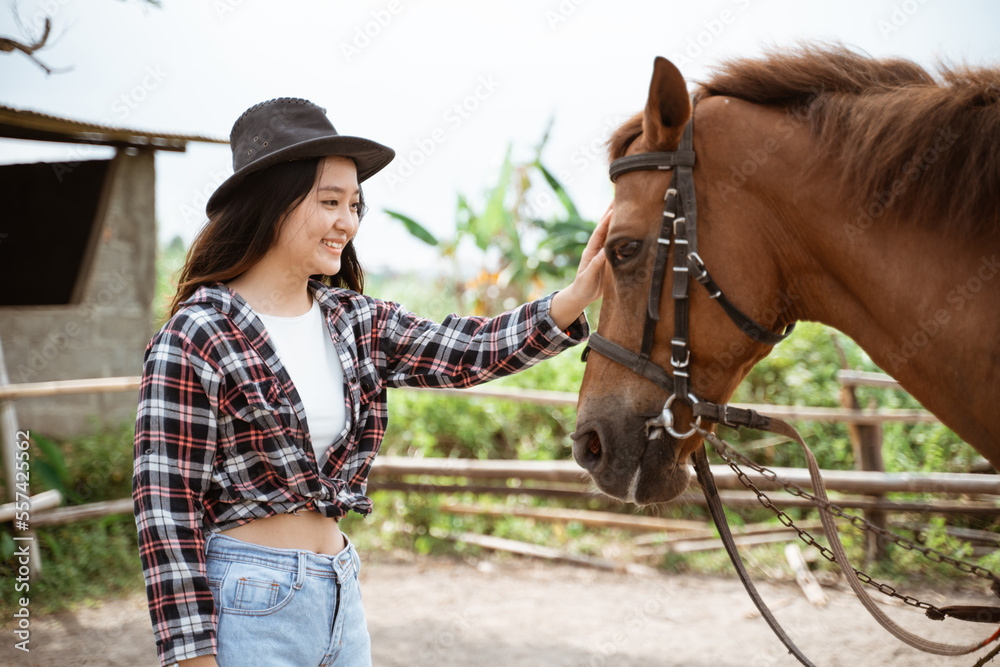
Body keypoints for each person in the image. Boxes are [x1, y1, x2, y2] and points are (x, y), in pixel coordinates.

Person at [132, 97, 610, 667]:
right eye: (329, 201)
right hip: (246, 600)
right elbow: (166, 510)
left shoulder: (352, 321)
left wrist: (573, 298)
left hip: (339, 590)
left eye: (354, 204)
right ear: (270, 204)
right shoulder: (197, 335)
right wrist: (192, 657)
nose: (347, 222)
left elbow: (465, 352)